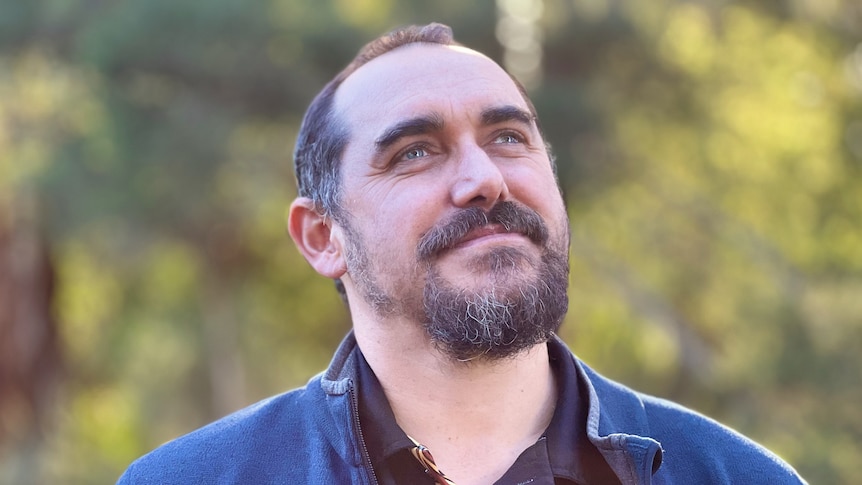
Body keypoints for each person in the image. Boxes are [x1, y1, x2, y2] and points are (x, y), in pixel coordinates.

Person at [117, 23, 806, 485]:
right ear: (323, 237)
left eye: (509, 137)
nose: (485, 179)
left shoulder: (733, 474)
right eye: (415, 151)